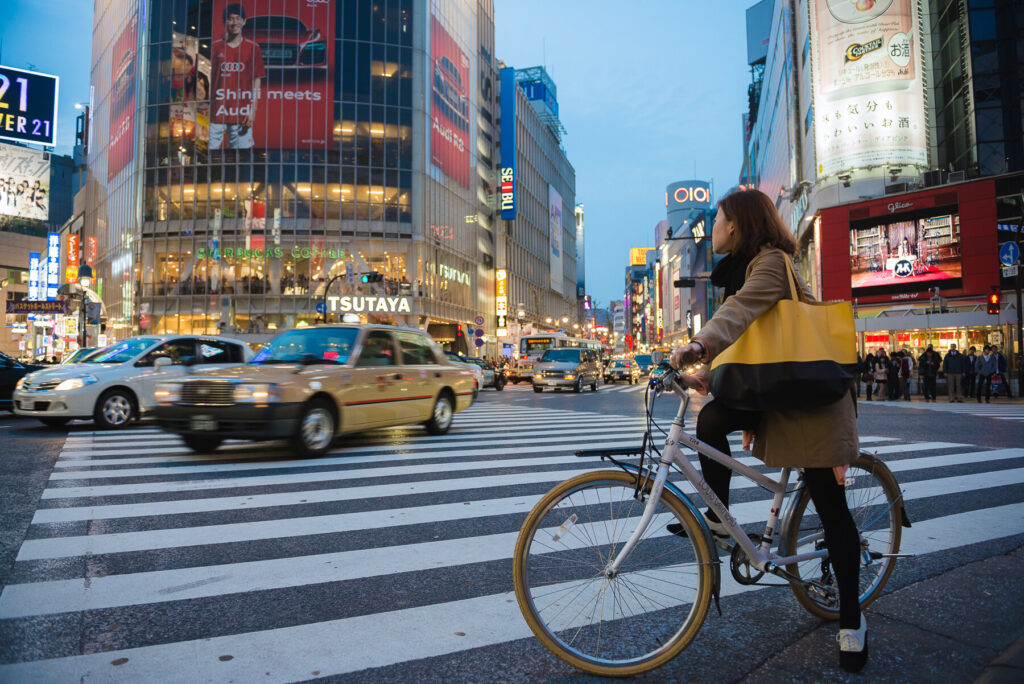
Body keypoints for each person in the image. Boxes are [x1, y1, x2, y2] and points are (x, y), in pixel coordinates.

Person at [667, 188, 867, 672]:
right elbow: (754, 349)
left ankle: (852, 619)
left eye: (717, 218)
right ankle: (719, 520)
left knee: (830, 506)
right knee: (711, 416)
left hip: (814, 402)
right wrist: (706, 376)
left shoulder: (771, 263)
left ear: (735, 224)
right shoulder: (746, 268)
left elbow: (739, 316)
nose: (711, 227)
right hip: (782, 394)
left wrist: (697, 344)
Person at [209, 3, 265, 152]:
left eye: (238, 18)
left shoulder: (254, 48)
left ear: (244, 21)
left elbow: (257, 79)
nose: (234, 23)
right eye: (230, 19)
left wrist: (252, 110)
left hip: (240, 114)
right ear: (224, 22)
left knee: (241, 158)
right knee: (207, 155)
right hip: (216, 113)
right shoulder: (215, 48)